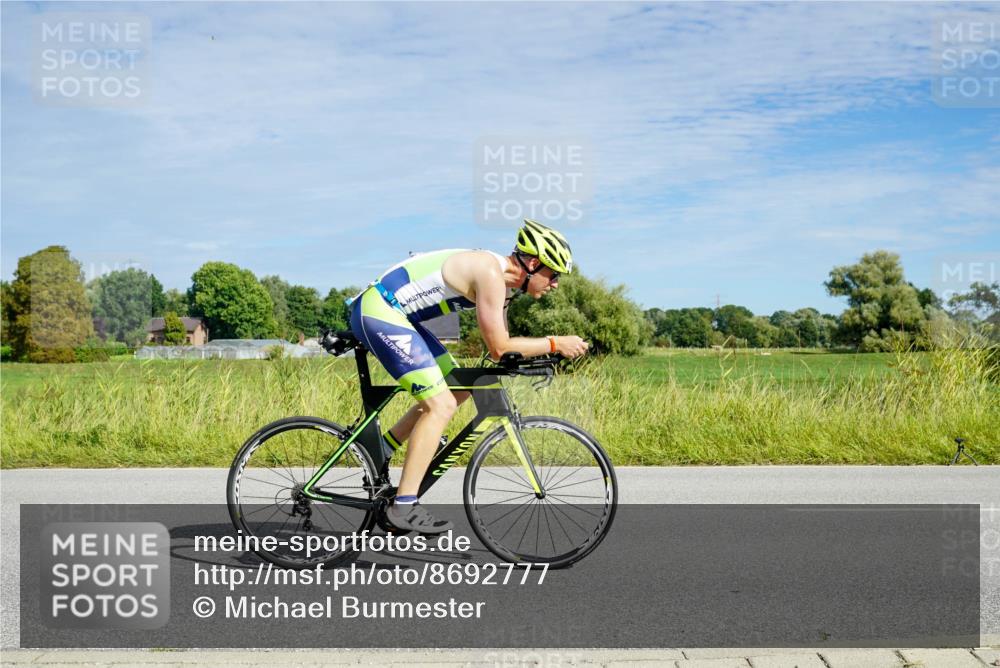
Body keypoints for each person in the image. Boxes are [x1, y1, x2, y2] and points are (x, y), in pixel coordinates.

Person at [348, 219, 589, 533]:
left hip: (398, 316)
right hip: (379, 311)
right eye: (553, 274)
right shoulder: (490, 273)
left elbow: (502, 348)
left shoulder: (504, 288)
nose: (555, 283)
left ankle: (383, 445)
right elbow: (501, 347)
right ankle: (403, 506)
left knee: (462, 385)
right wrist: (556, 343)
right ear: (532, 264)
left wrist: (528, 359)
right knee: (441, 405)